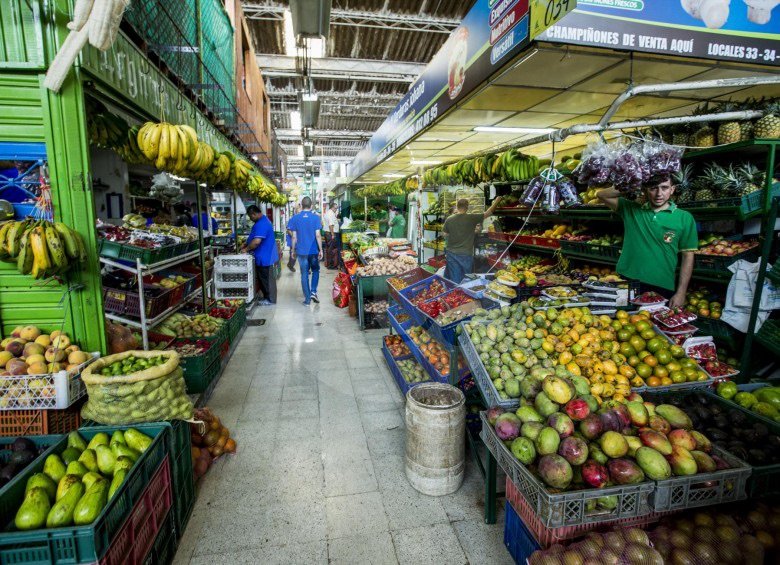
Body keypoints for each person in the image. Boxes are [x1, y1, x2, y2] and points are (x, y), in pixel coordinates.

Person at [597, 175, 698, 308]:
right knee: (622, 322)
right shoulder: (631, 210)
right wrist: (633, 183)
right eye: (653, 188)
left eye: (664, 188)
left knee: (653, 327)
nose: (659, 194)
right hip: (626, 280)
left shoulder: (684, 218)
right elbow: (602, 195)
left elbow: (688, 257)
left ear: (672, 189)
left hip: (661, 284)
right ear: (644, 190)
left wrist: (681, 292)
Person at [442, 197, 502, 283]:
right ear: (467, 207)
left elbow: (445, 234)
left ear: (457, 206)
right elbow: (489, 212)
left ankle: (455, 294)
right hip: (466, 254)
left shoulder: (449, 219)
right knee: (466, 278)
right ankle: (464, 294)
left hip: (451, 253)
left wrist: (456, 233)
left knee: (455, 278)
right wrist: (497, 201)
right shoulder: (472, 218)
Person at [288, 196, 324, 305]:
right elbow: (318, 235)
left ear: (301, 206)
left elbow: (294, 237)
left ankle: (307, 300)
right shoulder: (316, 218)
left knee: (304, 274)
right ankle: (313, 291)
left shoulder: (295, 218)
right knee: (316, 270)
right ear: (311, 206)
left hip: (301, 252)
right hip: (313, 251)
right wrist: (321, 250)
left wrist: (293, 250)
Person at [241, 205, 279, 305]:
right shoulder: (263, 221)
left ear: (254, 214)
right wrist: (246, 243)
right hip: (264, 256)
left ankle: (270, 300)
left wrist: (246, 249)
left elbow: (257, 241)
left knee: (266, 279)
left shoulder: (262, 224)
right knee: (264, 278)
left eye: (250, 216)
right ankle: (268, 298)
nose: (250, 218)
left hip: (265, 257)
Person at [323, 201, 341, 269]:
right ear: (332, 207)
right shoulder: (331, 214)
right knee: (332, 250)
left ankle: (330, 264)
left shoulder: (329, 213)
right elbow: (331, 225)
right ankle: (331, 265)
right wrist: (333, 235)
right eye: (335, 208)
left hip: (329, 233)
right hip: (330, 234)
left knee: (330, 249)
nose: (336, 209)